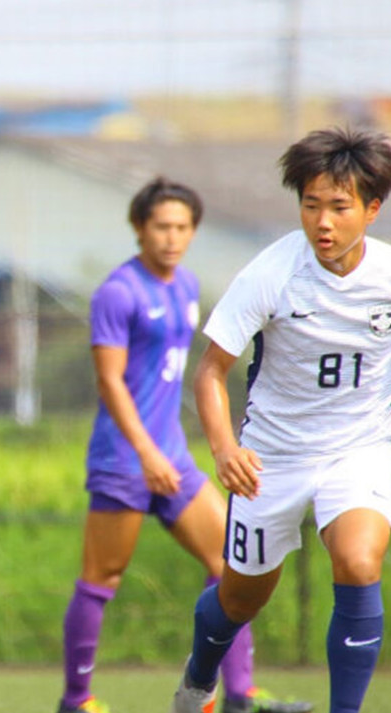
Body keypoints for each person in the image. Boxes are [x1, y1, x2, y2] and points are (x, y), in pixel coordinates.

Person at [59, 178, 311, 713]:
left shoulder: (185, 286)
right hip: (124, 459)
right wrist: (146, 453)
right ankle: (76, 700)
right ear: (139, 229)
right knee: (101, 578)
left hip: (172, 456)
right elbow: (111, 382)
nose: (172, 237)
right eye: (161, 226)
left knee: (231, 561)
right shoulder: (118, 292)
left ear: (193, 231)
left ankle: (241, 694)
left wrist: (165, 451)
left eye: (182, 227)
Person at [170, 127, 391, 713]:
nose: (322, 222)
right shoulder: (272, 272)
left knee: (359, 559)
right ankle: (197, 679)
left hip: (360, 450)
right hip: (272, 459)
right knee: (240, 600)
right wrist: (224, 450)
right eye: (310, 205)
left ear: (372, 209)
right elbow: (210, 373)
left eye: (339, 207)